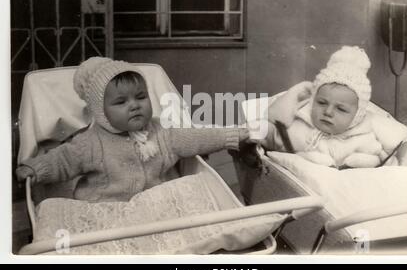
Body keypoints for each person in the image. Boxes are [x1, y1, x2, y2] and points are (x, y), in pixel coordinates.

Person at [16, 57, 249, 202]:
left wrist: (233, 135)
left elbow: (195, 138)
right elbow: (62, 160)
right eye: (121, 102)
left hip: (154, 204)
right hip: (107, 207)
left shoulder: (161, 131)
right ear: (101, 112)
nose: (134, 105)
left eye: (141, 97)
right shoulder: (90, 142)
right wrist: (35, 169)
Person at [263, 46, 400, 169]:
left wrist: (372, 162)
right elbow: (267, 134)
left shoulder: (363, 140)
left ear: (357, 116)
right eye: (322, 103)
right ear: (312, 101)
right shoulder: (297, 128)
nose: (328, 112)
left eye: (340, 109)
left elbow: (387, 164)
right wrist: (248, 134)